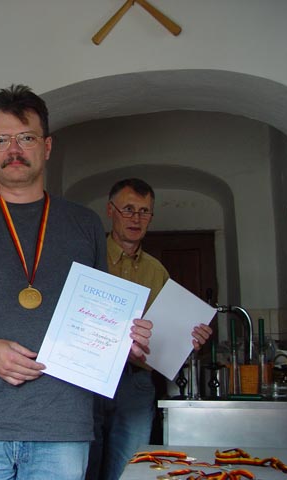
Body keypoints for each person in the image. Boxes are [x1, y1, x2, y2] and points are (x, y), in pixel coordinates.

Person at [0, 85, 153, 480]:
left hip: (63, 427)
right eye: (1, 140)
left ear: (46, 146)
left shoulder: (84, 224)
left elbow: (100, 318)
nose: (13, 149)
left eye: (25, 138)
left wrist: (124, 338)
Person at [86, 178, 212, 480]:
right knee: (83, 466)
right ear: (110, 211)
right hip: (90, 379)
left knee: (129, 469)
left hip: (137, 383)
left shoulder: (157, 271)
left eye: (144, 211)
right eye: (128, 209)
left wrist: (190, 339)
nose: (136, 218)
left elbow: (167, 333)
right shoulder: (88, 257)